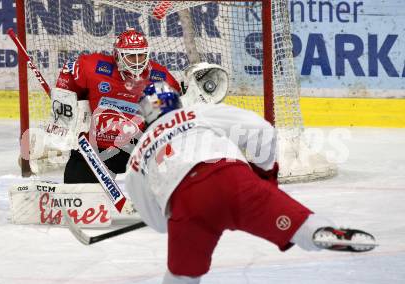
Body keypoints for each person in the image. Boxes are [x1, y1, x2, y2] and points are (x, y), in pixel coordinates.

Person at [125, 74, 377, 283]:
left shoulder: (137, 154)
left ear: (147, 112)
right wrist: (265, 173)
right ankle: (318, 231)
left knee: (181, 276)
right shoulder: (196, 113)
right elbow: (261, 130)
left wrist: (170, 218)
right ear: (176, 101)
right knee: (299, 224)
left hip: (186, 204)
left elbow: (153, 217)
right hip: (230, 177)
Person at [52, 27, 181, 183]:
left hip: (137, 148)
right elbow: (68, 72)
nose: (137, 61)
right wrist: (66, 105)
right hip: (95, 147)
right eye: (131, 56)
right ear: (117, 55)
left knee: (168, 182)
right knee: (77, 191)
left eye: (141, 55)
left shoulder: (160, 76)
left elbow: (174, 110)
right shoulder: (93, 68)